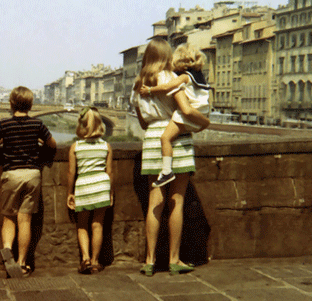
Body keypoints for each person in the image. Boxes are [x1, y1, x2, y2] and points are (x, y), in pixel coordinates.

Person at [130, 38, 209, 276]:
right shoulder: (170, 78)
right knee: (177, 201)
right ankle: (175, 260)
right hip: (177, 136)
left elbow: (143, 123)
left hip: (153, 139)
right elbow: (185, 108)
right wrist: (205, 122)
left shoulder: (137, 86)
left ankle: (150, 260)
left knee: (155, 202)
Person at [0, 86, 56, 278]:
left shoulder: (4, 125)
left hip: (12, 174)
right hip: (32, 174)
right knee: (25, 220)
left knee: (9, 217)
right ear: (31, 105)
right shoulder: (37, 124)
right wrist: (39, 147)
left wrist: (3, 148)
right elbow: (52, 144)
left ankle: (7, 248)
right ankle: (22, 263)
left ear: (11, 103)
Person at [139, 43, 211, 187]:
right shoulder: (200, 77)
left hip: (188, 113)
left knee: (165, 138)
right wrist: (205, 122)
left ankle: (166, 171)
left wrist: (150, 91)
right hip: (201, 112)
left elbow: (167, 87)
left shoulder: (184, 77)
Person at [66, 107, 113, 274]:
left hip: (84, 186)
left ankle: (85, 259)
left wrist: (70, 193)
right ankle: (95, 261)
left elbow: (71, 172)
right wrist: (110, 192)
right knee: (97, 224)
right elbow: (109, 172)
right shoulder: (106, 146)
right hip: (101, 185)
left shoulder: (75, 146)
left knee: (82, 225)